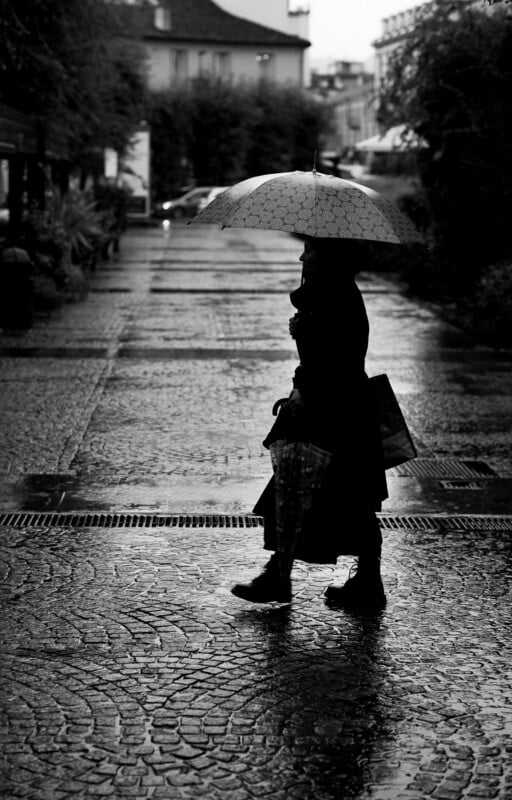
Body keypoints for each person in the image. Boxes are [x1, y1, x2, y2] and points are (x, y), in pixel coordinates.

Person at [231, 236, 388, 611]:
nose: (302, 256)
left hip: (334, 413)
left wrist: (305, 339)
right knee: (326, 497)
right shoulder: (330, 293)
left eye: (310, 249)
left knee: (316, 495)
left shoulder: (334, 296)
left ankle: (287, 576)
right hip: (336, 409)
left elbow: (332, 361)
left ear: (329, 257)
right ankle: (289, 575)